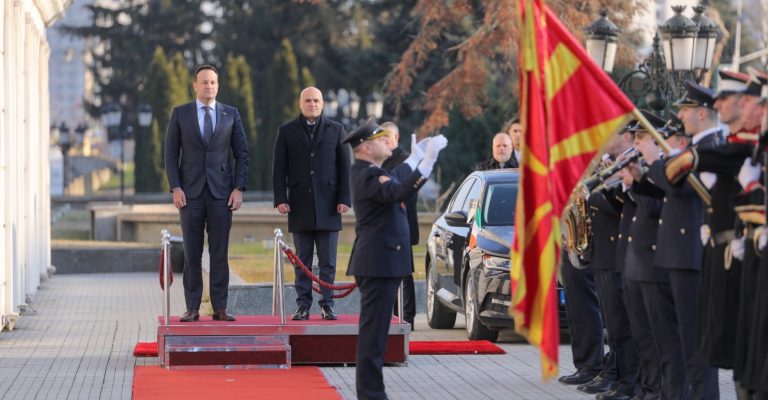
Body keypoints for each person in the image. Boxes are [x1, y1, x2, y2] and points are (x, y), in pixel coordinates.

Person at [343, 118, 447, 400]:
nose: (388, 142)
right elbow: (398, 190)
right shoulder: (367, 175)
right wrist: (426, 164)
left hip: (382, 262)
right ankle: (371, 394)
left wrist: (414, 158)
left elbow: (397, 177)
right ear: (365, 147)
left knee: (375, 334)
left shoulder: (372, 171)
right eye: (381, 139)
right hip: (378, 263)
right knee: (373, 336)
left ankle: (372, 393)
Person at [642, 81, 722, 399]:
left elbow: (676, 183)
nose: (682, 115)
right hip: (682, 254)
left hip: (693, 255)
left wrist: (657, 161)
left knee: (696, 344)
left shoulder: (709, 147)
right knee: (688, 343)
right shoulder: (697, 149)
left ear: (702, 112)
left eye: (686, 110)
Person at [164, 64, 249, 323]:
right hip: (189, 194)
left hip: (222, 194)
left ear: (218, 85)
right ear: (195, 85)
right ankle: (192, 308)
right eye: (204, 82)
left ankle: (220, 307)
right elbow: (170, 154)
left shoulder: (231, 114)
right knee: (192, 252)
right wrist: (176, 187)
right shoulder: (181, 114)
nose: (208, 86)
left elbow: (242, 154)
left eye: (212, 82)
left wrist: (238, 188)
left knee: (219, 253)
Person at [272, 86, 351, 321]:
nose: (312, 104)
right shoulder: (286, 131)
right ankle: (303, 305)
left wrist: (344, 199)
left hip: (329, 206)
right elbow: (279, 169)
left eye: (316, 100)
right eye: (308, 100)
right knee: (302, 261)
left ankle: (327, 304)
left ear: (323, 103)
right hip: (299, 205)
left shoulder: (337, 130)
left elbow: (345, 167)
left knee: (328, 261)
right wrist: (280, 199)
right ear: (300, 103)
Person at [380, 121, 417, 330]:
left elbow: (409, 192)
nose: (384, 141)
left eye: (388, 137)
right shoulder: (380, 159)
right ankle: (392, 315)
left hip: (403, 224)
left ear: (396, 138)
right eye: (381, 137)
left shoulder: (405, 160)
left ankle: (408, 317)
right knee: (388, 271)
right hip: (384, 225)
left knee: (405, 272)